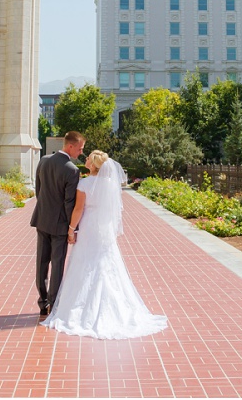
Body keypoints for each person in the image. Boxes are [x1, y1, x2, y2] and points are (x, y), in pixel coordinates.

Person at [42, 150, 168, 339]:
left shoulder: (84, 183)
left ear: (93, 165)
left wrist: (71, 229)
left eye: (88, 158)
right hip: (104, 229)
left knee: (84, 262)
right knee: (106, 262)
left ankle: (80, 306)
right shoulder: (110, 183)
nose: (85, 159)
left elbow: (78, 209)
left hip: (88, 227)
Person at [31, 130, 85, 317]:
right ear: (70, 146)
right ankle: (54, 304)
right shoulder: (72, 170)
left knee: (41, 262)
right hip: (60, 225)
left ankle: (42, 302)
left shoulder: (44, 160)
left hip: (42, 219)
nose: (81, 153)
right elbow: (69, 202)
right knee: (57, 264)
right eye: (80, 149)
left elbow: (39, 191)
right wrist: (72, 229)